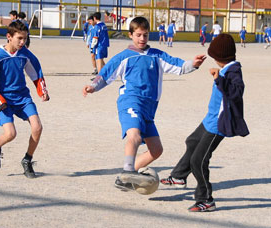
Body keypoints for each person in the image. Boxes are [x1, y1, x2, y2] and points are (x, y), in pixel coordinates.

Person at [82, 16, 206, 191]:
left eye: (145, 35)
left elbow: (178, 66)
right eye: (138, 35)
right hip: (130, 101)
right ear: (131, 35)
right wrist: (93, 86)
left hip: (149, 108)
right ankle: (127, 171)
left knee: (156, 150)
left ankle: (125, 178)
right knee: (135, 136)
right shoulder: (125, 57)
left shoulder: (157, 55)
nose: (142, 39)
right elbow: (106, 73)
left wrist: (194, 63)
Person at [160, 34, 249, 212]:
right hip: (210, 119)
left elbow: (237, 92)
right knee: (191, 141)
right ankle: (178, 176)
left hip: (219, 124)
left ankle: (206, 199)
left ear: (219, 57)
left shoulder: (233, 71)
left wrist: (219, 79)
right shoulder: (226, 69)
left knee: (198, 161)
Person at [0, 20, 50, 179]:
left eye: (25, 38)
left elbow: (36, 72)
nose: (22, 42)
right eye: (19, 38)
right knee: (11, 134)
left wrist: (42, 91)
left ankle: (27, 160)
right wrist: (0, 102)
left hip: (23, 98)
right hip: (4, 101)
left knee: (37, 127)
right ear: (9, 37)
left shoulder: (24, 54)